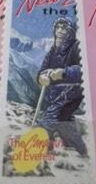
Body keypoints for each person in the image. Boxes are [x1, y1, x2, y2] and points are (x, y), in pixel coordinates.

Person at [33, 17, 86, 158]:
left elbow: (84, 69)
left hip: (72, 91)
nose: (60, 31)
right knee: (64, 122)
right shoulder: (53, 50)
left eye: (64, 28)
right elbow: (43, 69)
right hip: (56, 93)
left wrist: (64, 73)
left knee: (51, 117)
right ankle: (81, 151)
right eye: (58, 27)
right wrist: (41, 77)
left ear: (71, 32)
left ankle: (35, 148)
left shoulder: (76, 47)